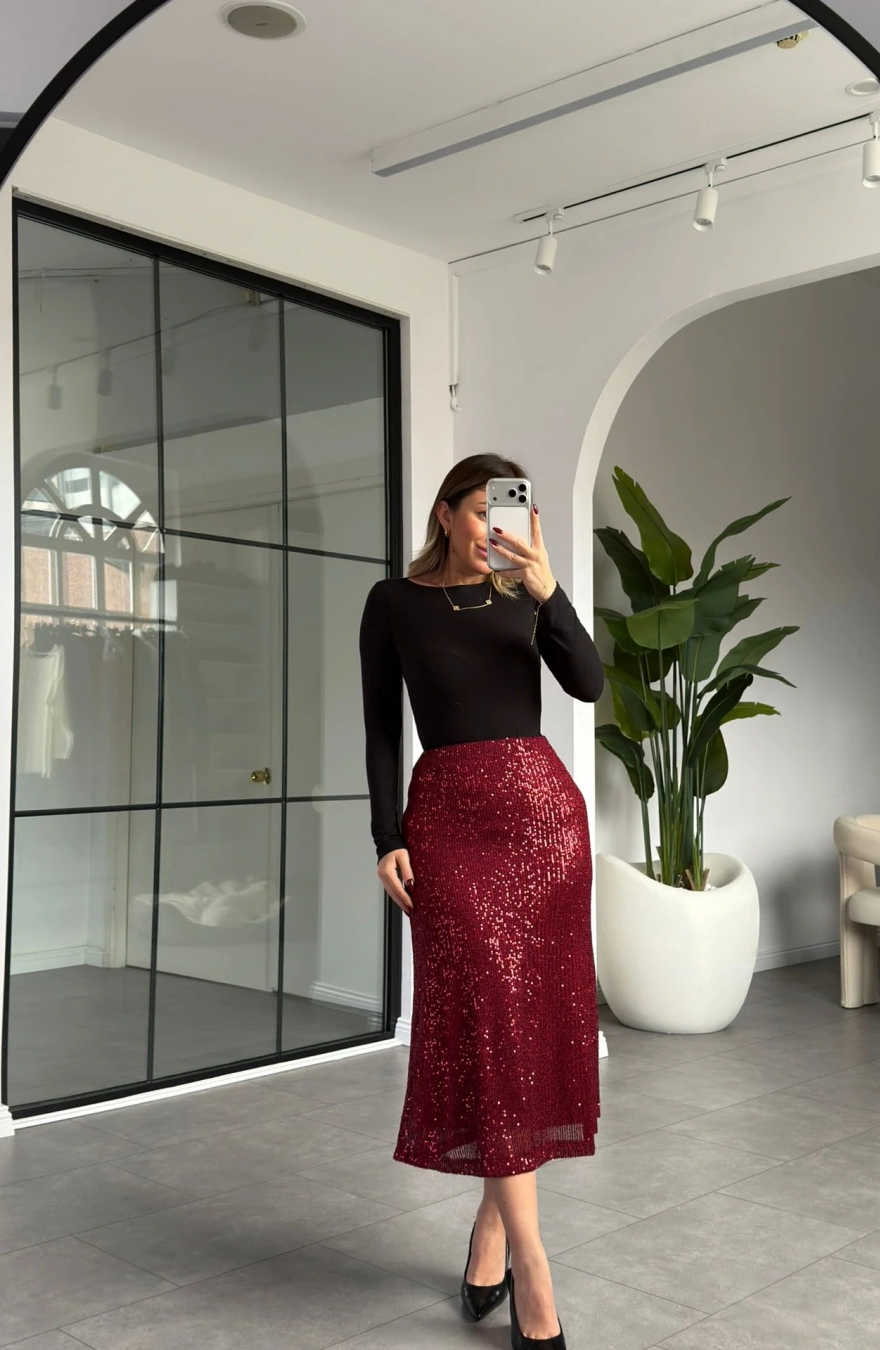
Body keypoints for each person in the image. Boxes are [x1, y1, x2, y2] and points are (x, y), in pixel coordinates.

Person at [358, 453, 605, 1349]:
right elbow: (381, 728)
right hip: (449, 826)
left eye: (513, 512)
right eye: (483, 510)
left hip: (543, 825)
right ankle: (535, 1269)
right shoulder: (394, 602)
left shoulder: (523, 596)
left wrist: (547, 590)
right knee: (487, 1026)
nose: (498, 526)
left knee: (522, 1033)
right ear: (445, 512)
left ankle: (496, 1236)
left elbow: (589, 683)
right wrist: (386, 834)